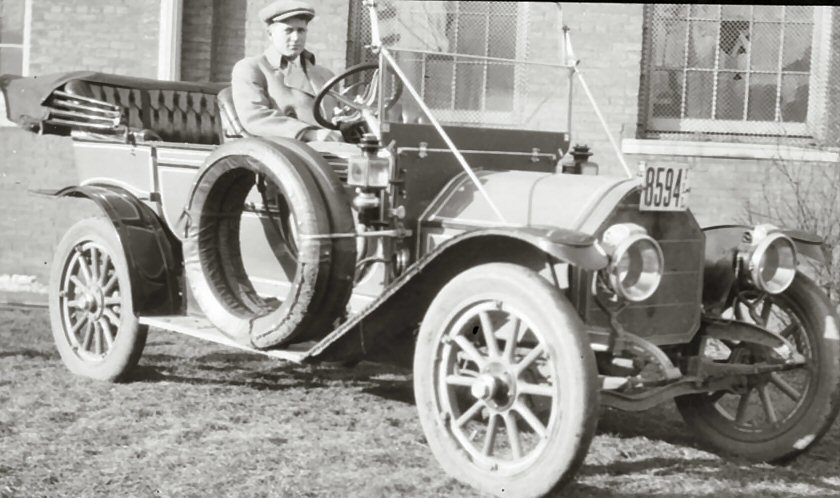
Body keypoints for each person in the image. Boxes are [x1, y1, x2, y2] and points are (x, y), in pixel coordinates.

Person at [231, 0, 341, 141]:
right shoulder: (252, 68)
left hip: (332, 149)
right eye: (288, 31)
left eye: (301, 30)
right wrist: (310, 133)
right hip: (285, 152)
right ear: (270, 34)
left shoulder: (326, 75)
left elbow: (340, 117)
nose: (296, 38)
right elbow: (255, 117)